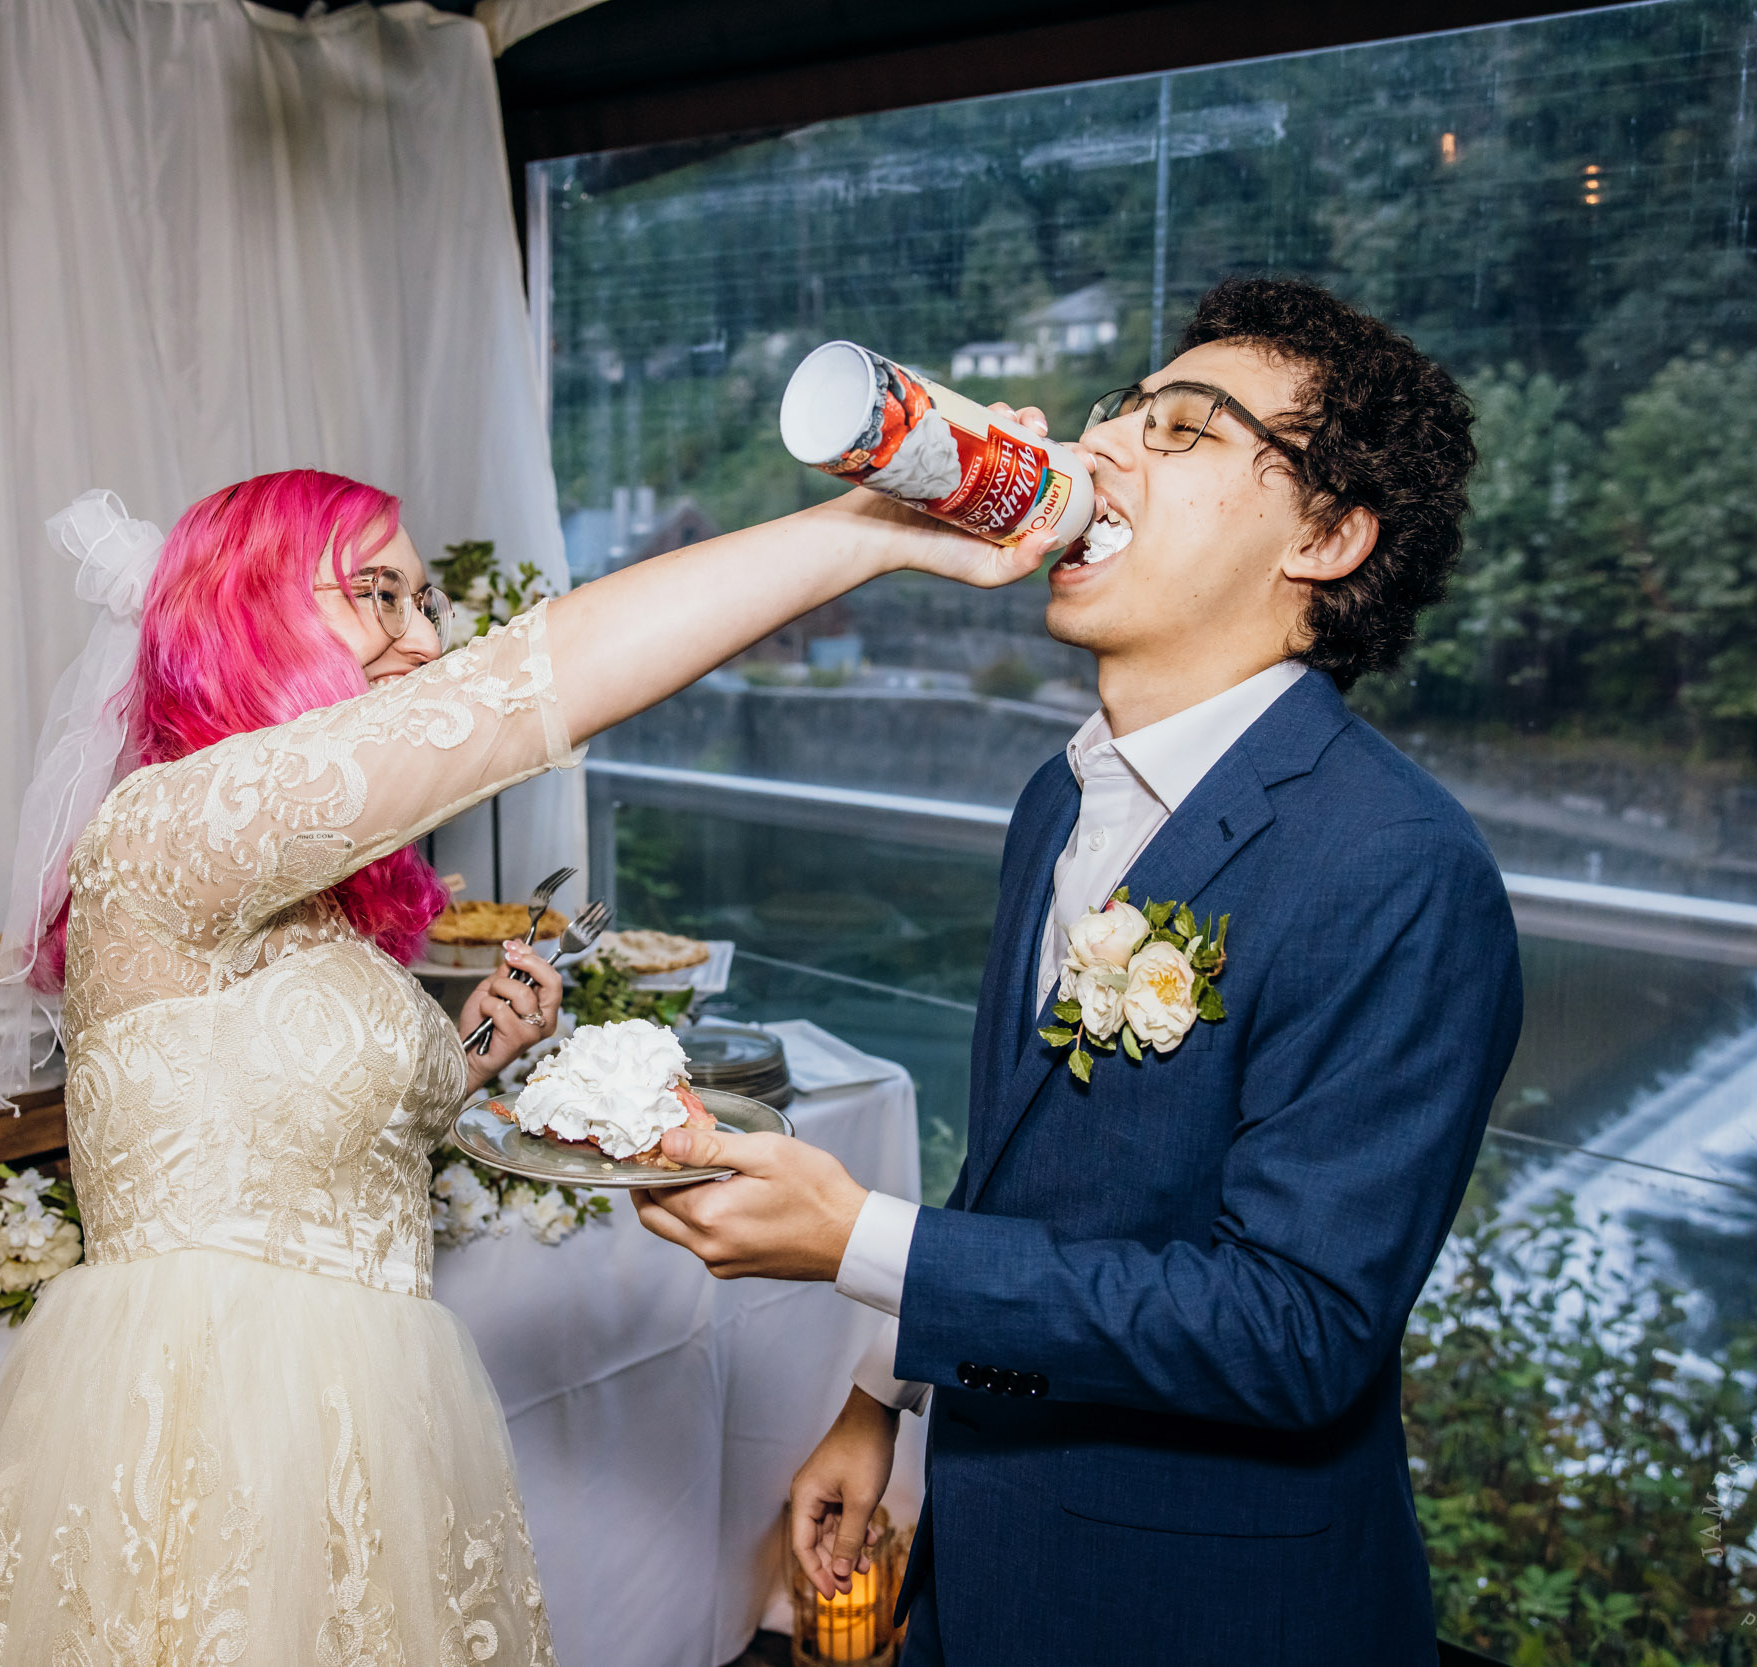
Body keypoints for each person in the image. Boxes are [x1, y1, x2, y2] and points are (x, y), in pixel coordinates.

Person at [0, 467, 1051, 1665]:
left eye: (427, 598)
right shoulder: (161, 829)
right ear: (248, 610)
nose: (426, 634)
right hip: (214, 1417)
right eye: (380, 593)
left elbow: (289, 1131)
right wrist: (860, 529)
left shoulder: (302, 896)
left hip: (373, 1405)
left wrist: (472, 1052)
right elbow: (523, 684)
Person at [634, 277, 1524, 1666]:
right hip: (984, 1561)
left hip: (1208, 1607)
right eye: (1120, 410)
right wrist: (882, 1391)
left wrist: (860, 1243)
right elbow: (1027, 1170)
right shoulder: (1059, 795)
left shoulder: (1399, 867)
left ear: (1330, 534)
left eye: (1182, 431)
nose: (1103, 445)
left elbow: (1296, 1328)